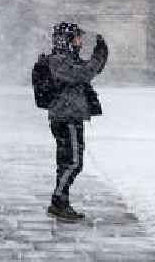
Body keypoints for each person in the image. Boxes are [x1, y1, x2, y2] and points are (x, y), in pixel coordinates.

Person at [45, 21, 108, 222]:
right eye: (77, 38)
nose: (80, 42)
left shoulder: (67, 59)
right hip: (67, 118)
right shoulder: (59, 60)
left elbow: (91, 71)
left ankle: (62, 202)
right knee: (74, 163)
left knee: (66, 163)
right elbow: (84, 73)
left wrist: (100, 55)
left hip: (69, 116)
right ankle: (57, 201)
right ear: (67, 40)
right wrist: (98, 56)